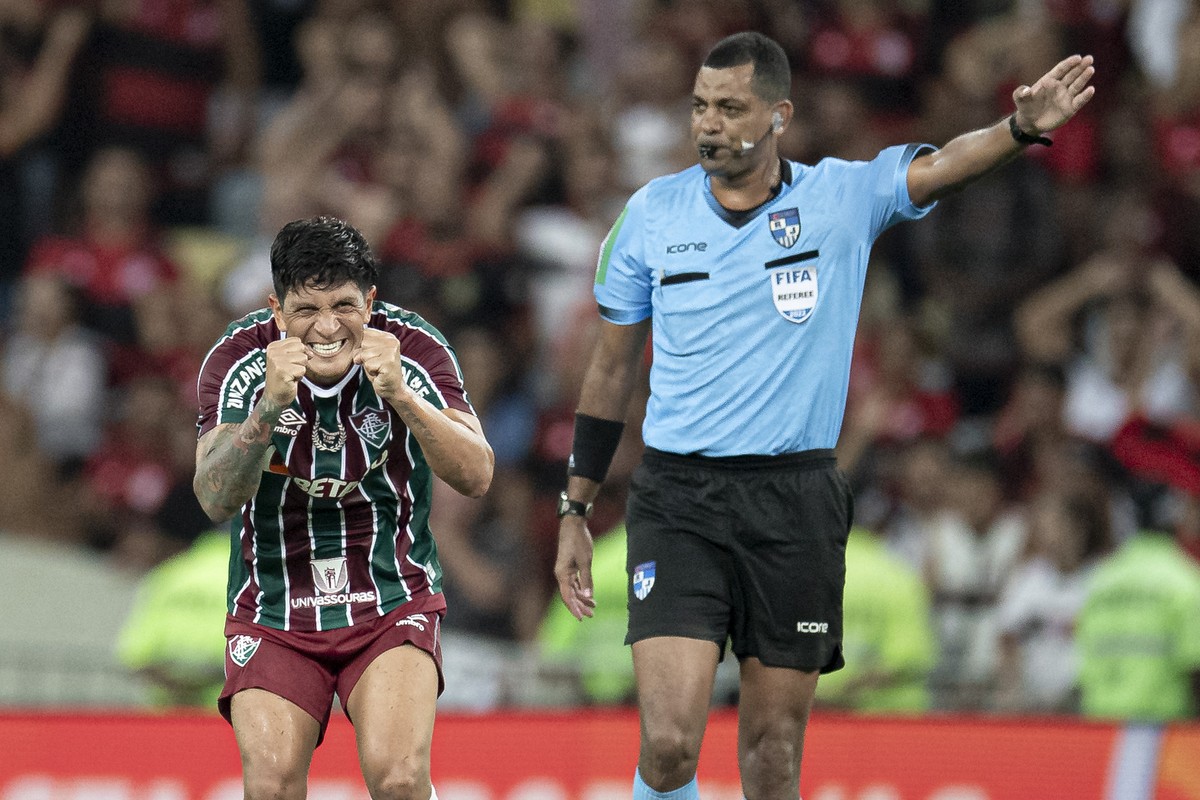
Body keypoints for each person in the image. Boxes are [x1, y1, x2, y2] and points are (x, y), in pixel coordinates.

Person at [552, 31, 1095, 800]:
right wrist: (576, 505)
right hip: (679, 500)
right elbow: (608, 371)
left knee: (773, 757)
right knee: (670, 743)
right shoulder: (649, 215)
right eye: (700, 107)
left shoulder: (839, 197)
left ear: (779, 115)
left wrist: (1019, 129)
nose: (709, 124)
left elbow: (939, 167)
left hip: (795, 501)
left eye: (730, 108)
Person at [193, 216, 494, 800]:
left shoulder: (413, 347)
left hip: (388, 593)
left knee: (400, 779)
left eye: (345, 305)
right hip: (276, 603)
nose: (327, 327)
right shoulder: (239, 360)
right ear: (275, 309)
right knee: (272, 787)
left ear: (371, 301)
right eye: (306, 310)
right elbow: (213, 496)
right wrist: (266, 410)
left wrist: (403, 395)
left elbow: (477, 474)